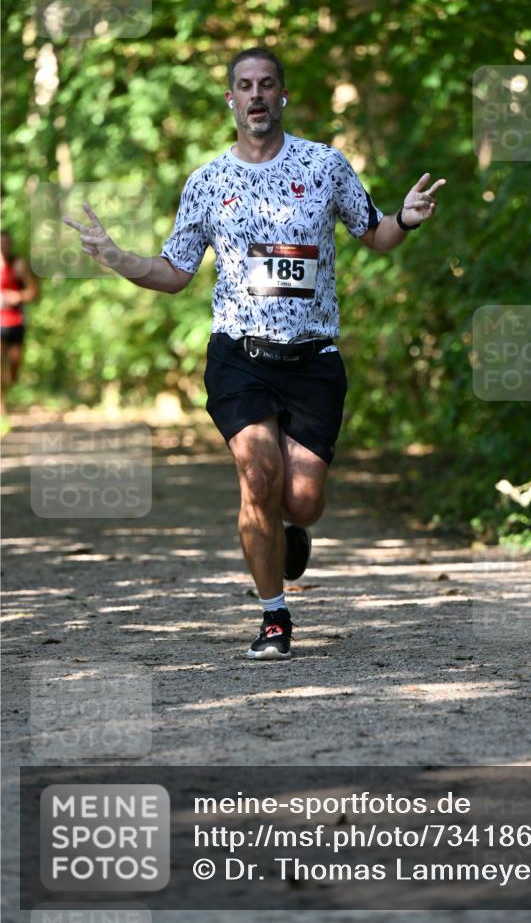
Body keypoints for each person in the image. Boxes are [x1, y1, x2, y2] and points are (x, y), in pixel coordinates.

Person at [64, 47, 445, 661]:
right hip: (240, 355)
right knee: (258, 476)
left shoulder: (324, 166)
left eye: (267, 84)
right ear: (231, 100)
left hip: (314, 358)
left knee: (302, 500)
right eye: (245, 86)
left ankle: (291, 530)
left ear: (283, 95)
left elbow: (375, 234)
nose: (257, 94)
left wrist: (407, 216)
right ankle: (274, 617)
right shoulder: (208, 182)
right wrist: (115, 257)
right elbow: (172, 271)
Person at [1, 230, 39, 411]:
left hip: (15, 321)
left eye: (6, 244)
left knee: (14, 366)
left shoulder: (18, 264)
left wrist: (17, 296)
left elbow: (33, 290)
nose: (4, 247)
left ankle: (6, 391)